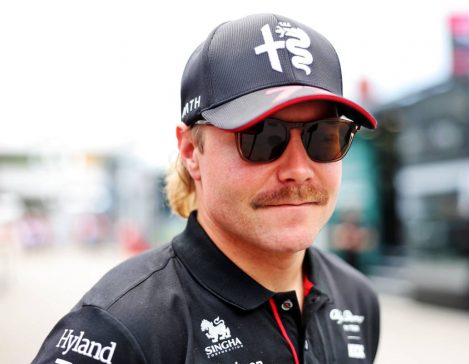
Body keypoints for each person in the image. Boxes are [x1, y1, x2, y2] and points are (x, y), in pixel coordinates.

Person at [33, 13, 380, 364]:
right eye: (260, 137)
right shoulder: (116, 330)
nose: (298, 170)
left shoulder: (356, 298)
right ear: (190, 152)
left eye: (323, 137)